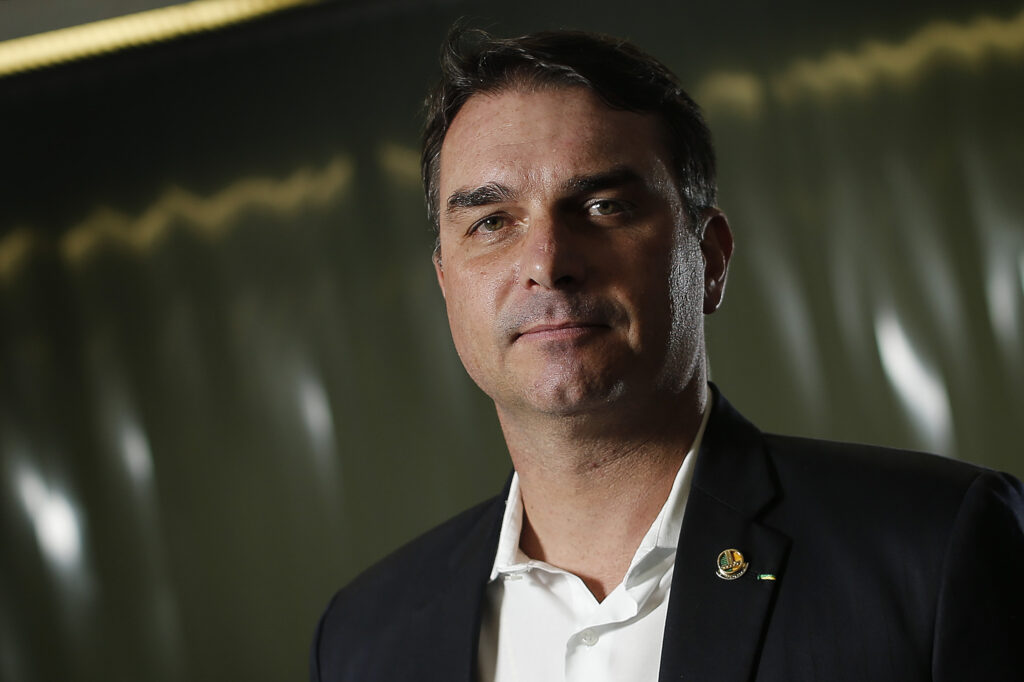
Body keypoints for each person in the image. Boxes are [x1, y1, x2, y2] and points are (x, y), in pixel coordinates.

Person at [310, 27, 1024, 682]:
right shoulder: (360, 642)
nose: (547, 264)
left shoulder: (934, 553)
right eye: (492, 222)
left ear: (709, 260)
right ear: (446, 285)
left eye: (603, 207)